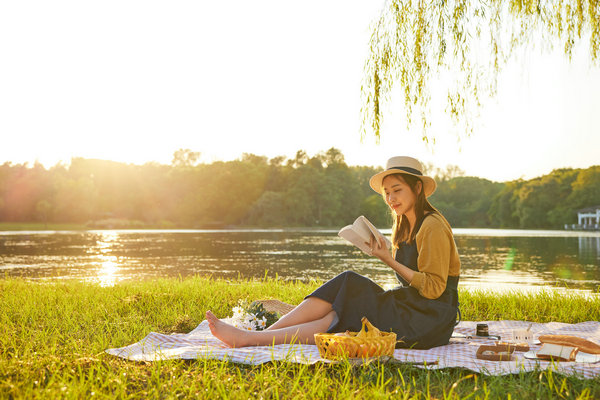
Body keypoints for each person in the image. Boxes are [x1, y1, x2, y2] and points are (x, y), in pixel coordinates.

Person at [206, 156, 461, 349]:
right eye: (387, 192)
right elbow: (413, 282)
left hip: (429, 321)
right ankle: (257, 337)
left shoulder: (432, 226)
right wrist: (384, 254)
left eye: (398, 190)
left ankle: (252, 339)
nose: (391, 198)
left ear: (417, 189)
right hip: (413, 308)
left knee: (349, 292)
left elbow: (434, 289)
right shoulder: (405, 224)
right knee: (344, 296)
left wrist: (387, 260)